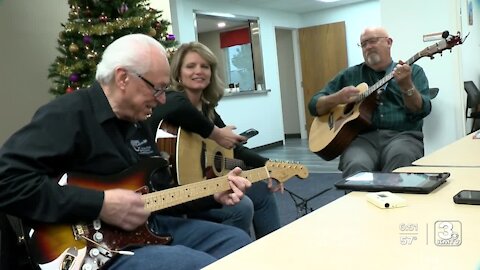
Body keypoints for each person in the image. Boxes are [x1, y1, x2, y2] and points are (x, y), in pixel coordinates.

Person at [0, 34, 252, 270]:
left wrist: (212, 194)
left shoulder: (137, 122)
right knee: (193, 263)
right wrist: (99, 204)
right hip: (93, 249)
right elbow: (7, 181)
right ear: (123, 78)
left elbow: (158, 196)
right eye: (158, 89)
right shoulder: (67, 115)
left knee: (236, 242)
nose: (162, 100)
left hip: (148, 228)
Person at [147, 41, 282, 239]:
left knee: (261, 191)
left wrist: (268, 165)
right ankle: (234, 251)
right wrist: (216, 133)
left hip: (206, 179)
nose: (198, 71)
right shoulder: (170, 99)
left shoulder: (208, 110)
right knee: (242, 206)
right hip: (179, 193)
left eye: (205, 66)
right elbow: (178, 106)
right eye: (190, 66)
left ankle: (272, 251)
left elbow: (232, 150)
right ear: (178, 73)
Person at [308, 26, 432, 178]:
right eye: (364, 44)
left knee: (400, 159)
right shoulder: (350, 75)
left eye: (372, 41)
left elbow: (422, 110)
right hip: (362, 140)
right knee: (355, 164)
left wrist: (407, 85)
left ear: (389, 42)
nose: (368, 47)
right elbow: (314, 106)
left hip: (402, 136)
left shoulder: (413, 71)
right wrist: (336, 98)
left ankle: (396, 201)